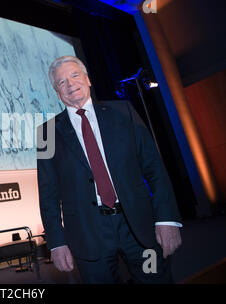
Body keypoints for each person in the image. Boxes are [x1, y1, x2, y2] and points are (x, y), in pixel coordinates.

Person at [37, 55, 182, 283]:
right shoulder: (46, 135)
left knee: (154, 278)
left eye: (75, 75)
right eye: (61, 82)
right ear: (57, 92)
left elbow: (154, 168)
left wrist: (167, 219)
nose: (70, 84)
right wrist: (56, 242)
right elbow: (48, 196)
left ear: (88, 79)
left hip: (139, 229)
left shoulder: (124, 112)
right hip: (88, 237)